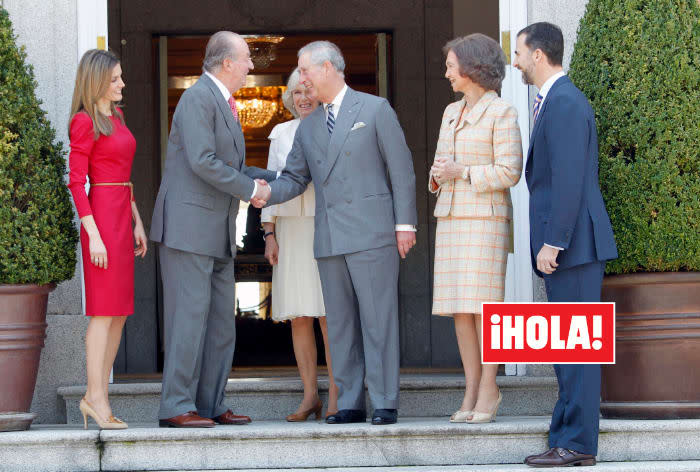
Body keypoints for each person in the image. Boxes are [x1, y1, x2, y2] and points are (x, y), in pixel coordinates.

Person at [253, 41, 417, 426]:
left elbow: (401, 169)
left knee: (378, 321)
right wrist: (261, 192)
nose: (302, 78)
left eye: (305, 70)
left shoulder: (375, 109)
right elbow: (293, 179)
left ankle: (385, 401)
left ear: (327, 68)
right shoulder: (309, 126)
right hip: (328, 239)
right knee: (340, 324)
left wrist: (404, 224)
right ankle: (350, 403)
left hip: (374, 234)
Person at [150, 31, 277, 428]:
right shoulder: (196, 98)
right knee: (188, 321)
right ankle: (176, 407)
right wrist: (251, 189)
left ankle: (209, 403)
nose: (250, 66)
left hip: (218, 234)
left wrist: (280, 178)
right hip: (189, 230)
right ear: (226, 63)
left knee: (221, 324)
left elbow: (234, 170)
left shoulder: (221, 102)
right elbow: (204, 162)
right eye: (246, 59)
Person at [513, 22, 617, 467]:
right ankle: (566, 437)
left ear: (538, 54)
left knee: (577, 349)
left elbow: (571, 180)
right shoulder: (554, 102)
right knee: (565, 347)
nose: (514, 61)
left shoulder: (567, 103)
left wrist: (554, 241)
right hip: (569, 247)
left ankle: (576, 445)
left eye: (519, 53)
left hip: (574, 247)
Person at [429, 34, 523, 424]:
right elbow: (439, 162)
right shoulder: (450, 112)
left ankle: (490, 385)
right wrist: (437, 176)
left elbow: (510, 171)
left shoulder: (502, 112)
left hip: (485, 219)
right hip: (451, 216)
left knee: (486, 309)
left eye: (452, 65)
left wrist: (462, 172)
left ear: (471, 67)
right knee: (459, 310)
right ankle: (470, 386)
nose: (447, 72)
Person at [67, 49, 148, 430]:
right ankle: (93, 396)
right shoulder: (84, 122)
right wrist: (94, 236)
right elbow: (76, 182)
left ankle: (99, 396)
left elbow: (123, 175)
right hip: (99, 220)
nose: (122, 84)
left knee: (118, 312)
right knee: (102, 312)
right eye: (115, 78)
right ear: (97, 80)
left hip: (120, 212)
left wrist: (136, 220)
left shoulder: (116, 116)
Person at [261, 68, 339, 421]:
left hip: (326, 226)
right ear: (289, 98)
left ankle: (337, 393)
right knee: (299, 316)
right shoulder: (281, 132)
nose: (303, 98)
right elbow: (272, 186)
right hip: (291, 229)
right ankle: (311, 396)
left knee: (329, 316)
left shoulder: (333, 124)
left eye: (309, 91)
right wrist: (269, 233)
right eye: (296, 93)